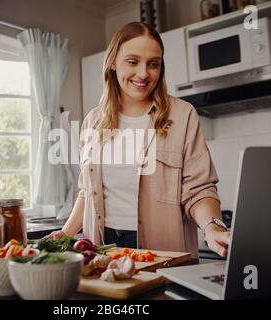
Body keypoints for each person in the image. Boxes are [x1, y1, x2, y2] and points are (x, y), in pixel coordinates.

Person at [49, 22, 230, 258]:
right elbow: (87, 191)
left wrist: (212, 226)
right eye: (133, 62)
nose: (144, 73)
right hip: (103, 248)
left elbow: (199, 189)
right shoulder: (93, 121)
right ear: (113, 62)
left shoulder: (182, 116)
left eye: (153, 64)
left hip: (162, 252)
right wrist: (64, 234)